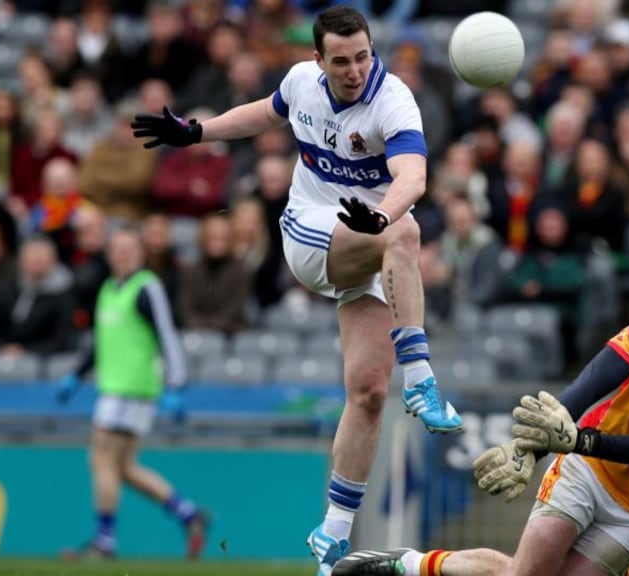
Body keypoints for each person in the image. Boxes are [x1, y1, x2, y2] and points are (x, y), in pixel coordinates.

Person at [129, 7, 463, 573]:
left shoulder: (393, 99)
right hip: (309, 233)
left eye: (362, 56)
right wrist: (198, 131)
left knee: (366, 391)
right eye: (341, 60)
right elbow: (263, 114)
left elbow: (414, 177)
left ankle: (331, 535)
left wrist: (379, 217)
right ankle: (424, 380)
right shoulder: (301, 82)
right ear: (318, 60)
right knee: (405, 233)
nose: (355, 69)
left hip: (369, 234)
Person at [334, 251, 629, 576]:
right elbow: (589, 384)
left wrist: (576, 438)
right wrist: (534, 446)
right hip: (585, 472)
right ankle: (409, 564)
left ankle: (409, 565)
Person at [56, 228, 208, 560]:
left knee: (100, 460)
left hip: (131, 388)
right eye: (116, 248)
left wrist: (177, 384)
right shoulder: (110, 289)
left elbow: (168, 335)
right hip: (114, 387)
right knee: (122, 467)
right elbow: (102, 342)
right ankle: (189, 515)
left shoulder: (146, 288)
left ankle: (104, 542)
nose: (121, 254)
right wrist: (77, 376)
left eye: (128, 248)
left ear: (140, 252)